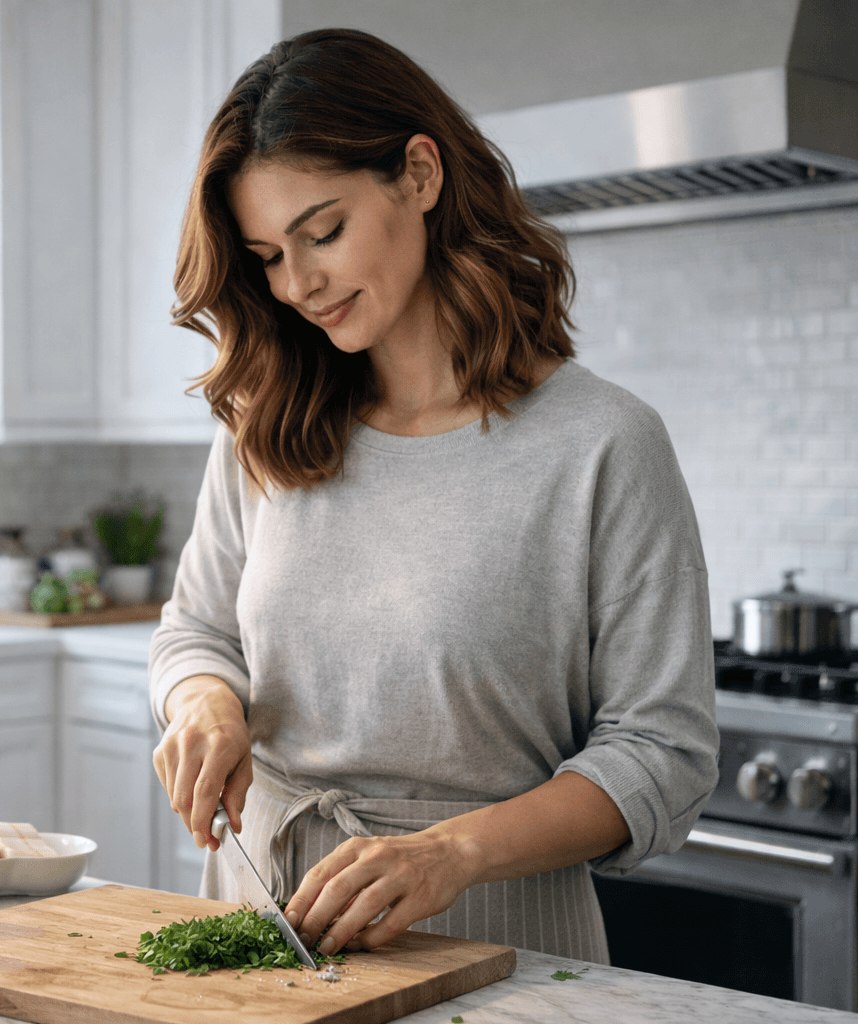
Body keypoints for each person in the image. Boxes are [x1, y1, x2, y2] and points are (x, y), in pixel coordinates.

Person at [148, 27, 718, 963]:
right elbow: (196, 633)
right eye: (266, 257)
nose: (298, 286)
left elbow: (664, 753)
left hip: (498, 942)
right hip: (260, 925)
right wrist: (204, 703)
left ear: (420, 174)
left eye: (321, 232)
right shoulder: (266, 423)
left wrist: (449, 853)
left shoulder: (602, 443)